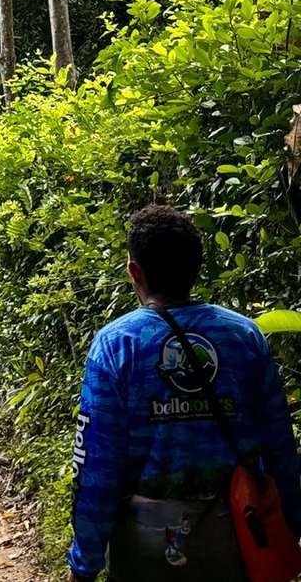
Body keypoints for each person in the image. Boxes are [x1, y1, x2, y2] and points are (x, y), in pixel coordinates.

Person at [67, 204, 301, 582]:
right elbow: (280, 446)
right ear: (197, 269)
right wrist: (288, 527)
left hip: (144, 553)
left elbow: (98, 465)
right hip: (238, 540)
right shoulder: (243, 336)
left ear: (134, 272)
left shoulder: (117, 345)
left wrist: (85, 561)